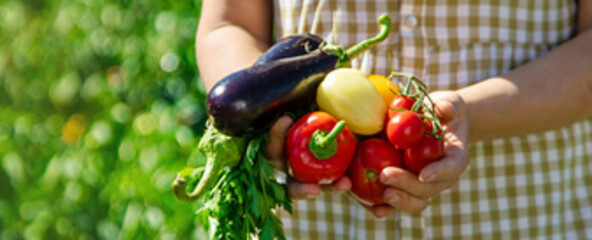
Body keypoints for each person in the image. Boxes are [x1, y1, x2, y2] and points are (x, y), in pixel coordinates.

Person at [196, 0, 592, 238]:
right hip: (312, 223)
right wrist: (260, 111)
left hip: (520, 214)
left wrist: (466, 114)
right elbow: (228, 22)